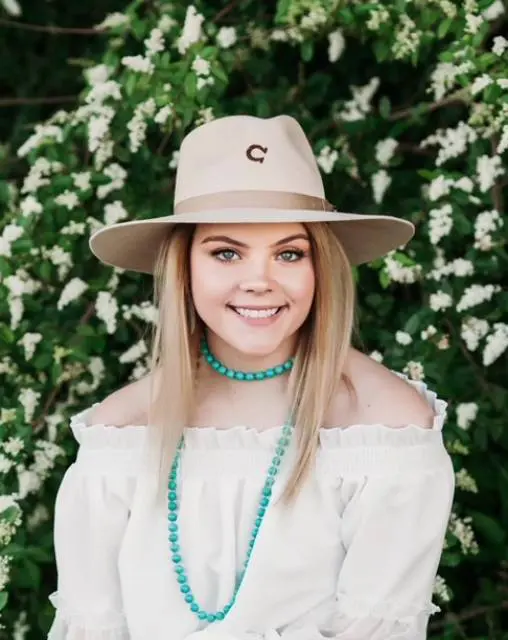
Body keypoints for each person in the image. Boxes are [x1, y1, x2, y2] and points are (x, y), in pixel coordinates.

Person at [47, 114, 455, 640]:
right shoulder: (120, 436)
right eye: (226, 252)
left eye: (288, 253)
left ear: (320, 268)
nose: (259, 282)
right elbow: (92, 625)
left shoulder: (385, 430)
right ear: (184, 267)